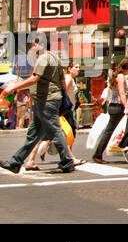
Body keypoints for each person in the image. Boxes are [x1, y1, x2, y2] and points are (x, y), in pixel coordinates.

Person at [1, 39, 83, 174]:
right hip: (46, 100)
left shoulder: (43, 58)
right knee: (33, 134)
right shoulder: (55, 59)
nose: (32, 49)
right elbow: (61, 81)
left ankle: (67, 162)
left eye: (34, 45)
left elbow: (34, 78)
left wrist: (13, 88)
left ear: (42, 46)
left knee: (55, 131)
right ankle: (16, 162)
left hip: (47, 100)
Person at [93, 57, 128, 163]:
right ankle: (97, 154)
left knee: (113, 130)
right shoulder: (121, 77)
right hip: (118, 106)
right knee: (118, 130)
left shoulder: (115, 75)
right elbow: (122, 93)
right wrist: (126, 106)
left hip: (113, 106)